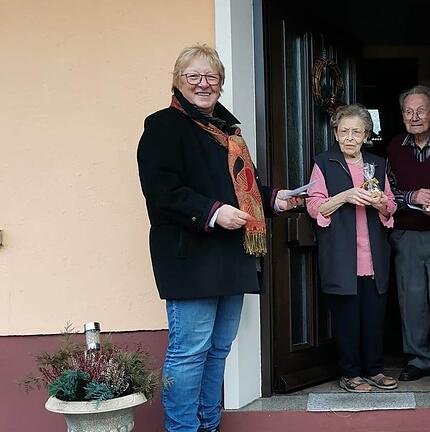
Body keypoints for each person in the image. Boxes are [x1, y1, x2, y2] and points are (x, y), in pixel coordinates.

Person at [137, 44, 299, 432]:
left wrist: (274, 198)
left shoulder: (228, 133)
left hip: (232, 256)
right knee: (189, 353)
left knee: (218, 351)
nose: (203, 84)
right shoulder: (162, 125)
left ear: (221, 85)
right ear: (178, 82)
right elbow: (161, 190)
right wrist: (212, 212)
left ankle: (209, 425)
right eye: (193, 76)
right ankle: (182, 429)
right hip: (189, 258)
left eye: (211, 77)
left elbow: (243, 189)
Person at [306, 104, 399, 393]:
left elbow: (391, 206)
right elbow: (314, 206)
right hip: (341, 256)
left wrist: (382, 202)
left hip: (374, 256)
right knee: (347, 319)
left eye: (356, 132)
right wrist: (345, 196)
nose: (349, 137)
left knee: (373, 317)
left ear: (366, 135)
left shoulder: (377, 164)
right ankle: (350, 372)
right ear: (335, 133)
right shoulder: (324, 163)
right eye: (343, 131)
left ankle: (375, 370)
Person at [386, 85, 430, 385]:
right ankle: (418, 359)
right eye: (408, 112)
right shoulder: (393, 147)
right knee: (411, 300)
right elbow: (386, 192)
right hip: (407, 234)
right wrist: (412, 197)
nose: (414, 117)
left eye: (420, 111)